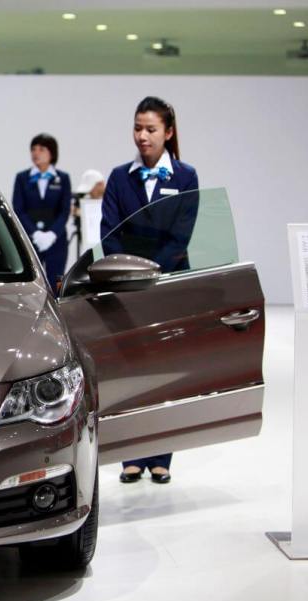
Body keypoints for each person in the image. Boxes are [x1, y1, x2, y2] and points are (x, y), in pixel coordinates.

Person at [102, 95, 199, 485]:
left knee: (164, 372)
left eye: (151, 129)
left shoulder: (186, 176)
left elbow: (182, 234)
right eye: (138, 128)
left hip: (168, 285)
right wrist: (128, 274)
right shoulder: (118, 176)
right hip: (126, 287)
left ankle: (161, 456)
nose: (143, 136)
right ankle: (131, 455)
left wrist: (153, 273)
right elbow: (109, 233)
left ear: (168, 132)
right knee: (129, 372)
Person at [11, 133, 72, 293]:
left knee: (57, 283)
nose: (36, 153)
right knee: (32, 284)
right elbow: (19, 209)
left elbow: (64, 211)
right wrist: (35, 233)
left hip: (56, 241)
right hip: (31, 240)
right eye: (33, 149)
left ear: (52, 153)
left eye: (41, 149)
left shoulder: (63, 178)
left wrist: (52, 234)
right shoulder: (22, 178)